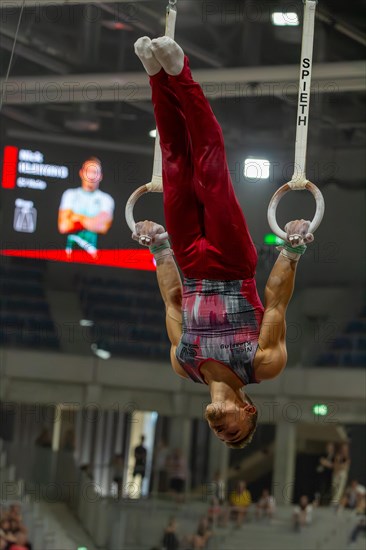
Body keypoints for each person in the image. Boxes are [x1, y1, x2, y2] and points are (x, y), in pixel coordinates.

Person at [133, 36, 314, 449]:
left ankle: (157, 78)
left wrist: (159, 249)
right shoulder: (263, 364)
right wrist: (293, 248)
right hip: (232, 264)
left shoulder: (185, 365)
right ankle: (182, 74)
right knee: (209, 164)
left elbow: (173, 302)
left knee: (176, 162)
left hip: (191, 265)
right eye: (231, 429)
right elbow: (276, 302)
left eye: (218, 434)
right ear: (248, 410)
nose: (219, 430)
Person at [58, 156, 114, 256]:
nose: (91, 176)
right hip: (69, 256)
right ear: (81, 173)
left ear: (100, 176)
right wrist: (91, 221)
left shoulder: (106, 199)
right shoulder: (70, 194)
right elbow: (64, 226)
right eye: (89, 171)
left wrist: (75, 217)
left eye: (95, 172)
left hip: (93, 258)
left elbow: (101, 227)